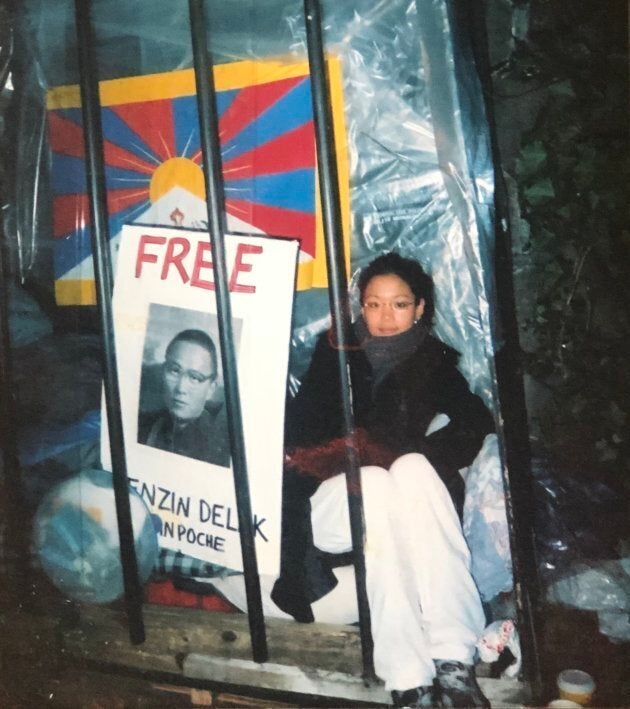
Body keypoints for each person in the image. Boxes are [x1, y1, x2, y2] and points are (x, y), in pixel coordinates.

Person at [211, 253, 494, 707]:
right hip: (327, 503)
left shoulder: (433, 363)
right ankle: (423, 671)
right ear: (360, 306)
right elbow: (299, 436)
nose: (384, 317)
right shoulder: (335, 354)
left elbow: (475, 422)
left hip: (384, 500)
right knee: (376, 481)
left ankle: (441, 666)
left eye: (399, 304)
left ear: (420, 308)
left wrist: (417, 454)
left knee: (408, 472)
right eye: (374, 304)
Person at [138, 329, 230, 467]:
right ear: (163, 371)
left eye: (195, 378)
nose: (181, 388)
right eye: (174, 371)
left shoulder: (223, 446)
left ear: (211, 388)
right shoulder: (144, 425)